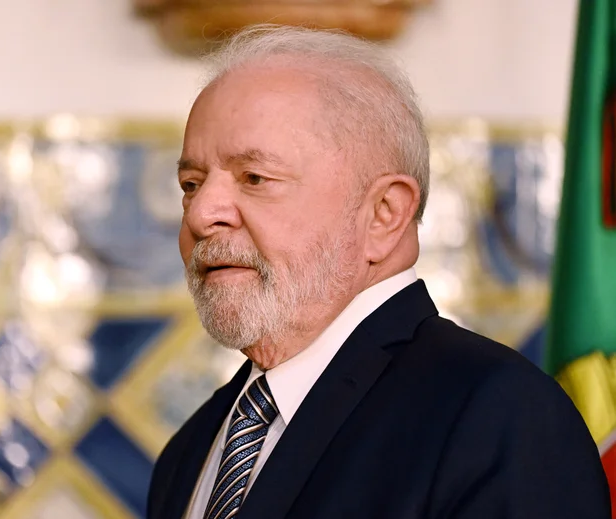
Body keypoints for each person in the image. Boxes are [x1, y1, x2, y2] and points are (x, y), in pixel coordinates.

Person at [147, 24, 610, 519]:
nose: (200, 214)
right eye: (191, 184)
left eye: (255, 177)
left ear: (385, 213)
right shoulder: (193, 446)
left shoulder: (499, 416)